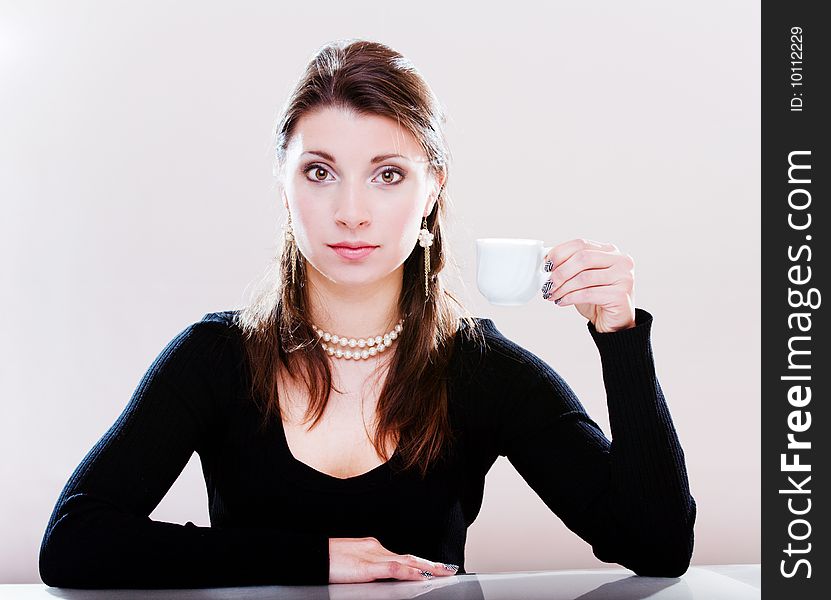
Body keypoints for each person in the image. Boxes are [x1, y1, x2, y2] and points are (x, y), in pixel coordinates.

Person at [38, 38, 696, 589]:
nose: (351, 211)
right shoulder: (216, 356)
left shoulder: (484, 372)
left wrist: (620, 337)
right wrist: (315, 559)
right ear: (283, 183)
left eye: (387, 174)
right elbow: (74, 541)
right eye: (320, 172)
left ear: (432, 187)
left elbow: (656, 546)